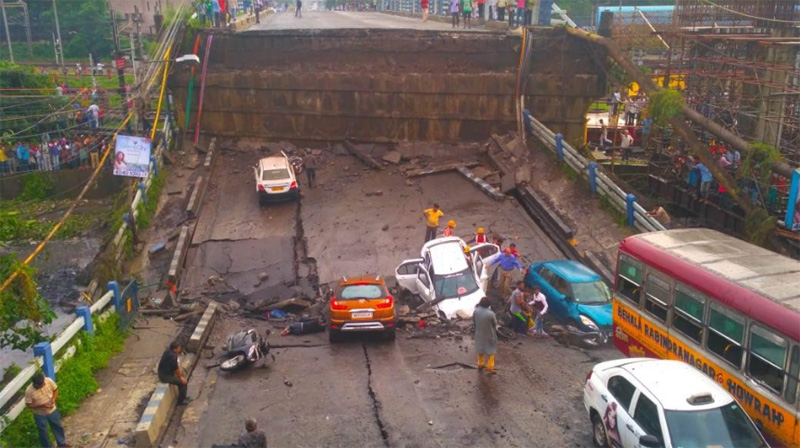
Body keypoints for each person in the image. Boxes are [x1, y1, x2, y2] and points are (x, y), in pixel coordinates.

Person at [25, 373, 71, 448]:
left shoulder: (48, 381)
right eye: (41, 385)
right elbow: (29, 405)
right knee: (43, 432)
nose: (43, 385)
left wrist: (53, 399)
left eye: (43, 383)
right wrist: (41, 405)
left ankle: (61, 443)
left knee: (58, 427)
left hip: (52, 410)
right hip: (39, 414)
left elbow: (55, 390)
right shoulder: (29, 391)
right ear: (35, 384)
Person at [473, 297, 498, 374]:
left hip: (479, 333)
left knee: (480, 348)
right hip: (489, 334)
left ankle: (480, 364)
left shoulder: (475, 311)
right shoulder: (491, 314)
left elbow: (474, 321)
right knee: (492, 350)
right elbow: (495, 323)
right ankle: (490, 366)